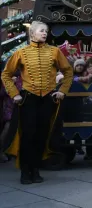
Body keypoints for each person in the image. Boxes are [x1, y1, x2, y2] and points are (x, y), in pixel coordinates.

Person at [1, 21, 73, 184]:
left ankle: (35, 170)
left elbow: (68, 72)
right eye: (41, 31)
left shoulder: (54, 52)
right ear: (32, 33)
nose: (44, 33)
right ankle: (25, 172)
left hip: (47, 98)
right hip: (28, 99)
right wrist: (14, 94)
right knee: (27, 135)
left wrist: (62, 91)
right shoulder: (21, 53)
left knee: (42, 135)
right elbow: (6, 75)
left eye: (46, 31)